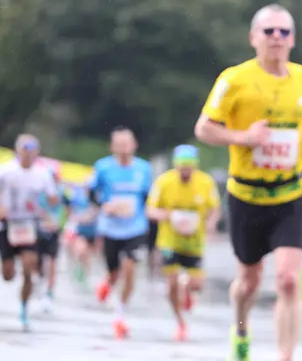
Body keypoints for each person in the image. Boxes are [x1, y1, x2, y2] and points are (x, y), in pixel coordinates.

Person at [194, 3, 302, 361]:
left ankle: (285, 356)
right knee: (250, 282)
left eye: (283, 31)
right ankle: (240, 330)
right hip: (247, 195)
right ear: (254, 37)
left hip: (291, 193)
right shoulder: (234, 79)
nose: (276, 38)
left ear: (293, 39)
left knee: (288, 279)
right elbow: (204, 128)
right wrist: (243, 138)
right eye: (269, 31)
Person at [146, 144, 221, 341]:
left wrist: (211, 224)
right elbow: (150, 210)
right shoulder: (164, 182)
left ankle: (186, 289)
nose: (185, 172)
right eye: (181, 168)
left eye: (189, 168)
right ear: (175, 166)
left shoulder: (206, 182)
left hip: (194, 243)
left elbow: (215, 210)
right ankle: (180, 323)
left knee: (196, 285)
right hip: (169, 242)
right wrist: (168, 215)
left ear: (195, 166)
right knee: (171, 283)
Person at [90, 126, 154, 339]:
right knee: (114, 272)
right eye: (119, 145)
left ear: (134, 145)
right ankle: (107, 282)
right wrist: (104, 205)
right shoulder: (103, 167)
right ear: (112, 147)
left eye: (127, 144)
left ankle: (120, 314)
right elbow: (92, 193)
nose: (124, 149)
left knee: (129, 268)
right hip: (110, 228)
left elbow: (148, 197)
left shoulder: (144, 169)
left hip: (135, 228)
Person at [0, 134, 60, 330]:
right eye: (24, 149)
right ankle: (10, 269)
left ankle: (24, 310)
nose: (27, 154)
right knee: (7, 275)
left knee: (29, 266)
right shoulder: (6, 171)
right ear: (17, 150)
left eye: (31, 150)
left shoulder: (43, 174)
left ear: (37, 153)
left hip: (29, 225)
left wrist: (51, 204)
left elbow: (53, 199)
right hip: (8, 225)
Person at [35, 163, 70, 313]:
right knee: (37, 262)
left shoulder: (63, 192)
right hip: (38, 230)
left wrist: (62, 226)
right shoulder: (38, 190)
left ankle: (49, 291)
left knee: (51, 262)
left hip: (54, 231)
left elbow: (67, 210)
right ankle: (39, 279)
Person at [66, 181, 100, 290]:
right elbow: (72, 212)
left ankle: (85, 275)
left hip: (93, 231)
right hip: (81, 230)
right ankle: (79, 270)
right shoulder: (78, 198)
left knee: (87, 255)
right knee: (81, 251)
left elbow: (98, 213)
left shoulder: (97, 199)